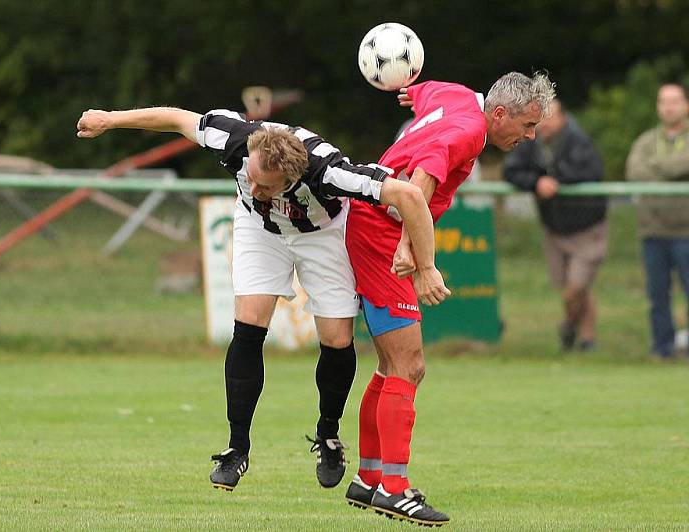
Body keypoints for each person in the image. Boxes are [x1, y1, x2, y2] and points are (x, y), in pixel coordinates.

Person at [75, 105, 444, 491]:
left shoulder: (330, 172)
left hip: (322, 233)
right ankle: (237, 448)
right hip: (260, 229)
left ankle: (328, 434)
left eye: (265, 186)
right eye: (250, 177)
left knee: (337, 339)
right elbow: (175, 118)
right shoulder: (236, 139)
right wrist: (110, 120)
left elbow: (410, 196)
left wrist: (427, 265)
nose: (253, 187)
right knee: (249, 327)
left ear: (292, 177)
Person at [343, 72, 556, 526]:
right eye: (527, 126)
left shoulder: (456, 96)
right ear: (498, 114)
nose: (530, 136)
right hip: (382, 232)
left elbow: (425, 90)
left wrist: (409, 87)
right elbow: (422, 176)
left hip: (373, 223)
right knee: (410, 366)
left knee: (389, 366)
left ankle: (369, 479)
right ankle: (395, 490)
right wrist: (416, 256)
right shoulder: (467, 132)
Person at [503, 99, 608, 351]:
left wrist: (555, 180)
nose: (545, 123)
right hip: (555, 227)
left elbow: (592, 172)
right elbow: (512, 171)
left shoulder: (577, 139)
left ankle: (569, 326)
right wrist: (536, 183)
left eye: (551, 117)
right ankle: (587, 339)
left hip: (587, 226)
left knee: (576, 288)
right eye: (542, 117)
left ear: (563, 118)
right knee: (575, 287)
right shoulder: (531, 140)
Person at [625, 83, 689, 359]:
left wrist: (660, 167)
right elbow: (635, 171)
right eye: (663, 101)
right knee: (658, 296)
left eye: (674, 101)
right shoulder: (646, 141)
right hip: (653, 231)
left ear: (686, 104)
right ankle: (663, 349)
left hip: (687, 231)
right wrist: (674, 168)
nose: (669, 106)